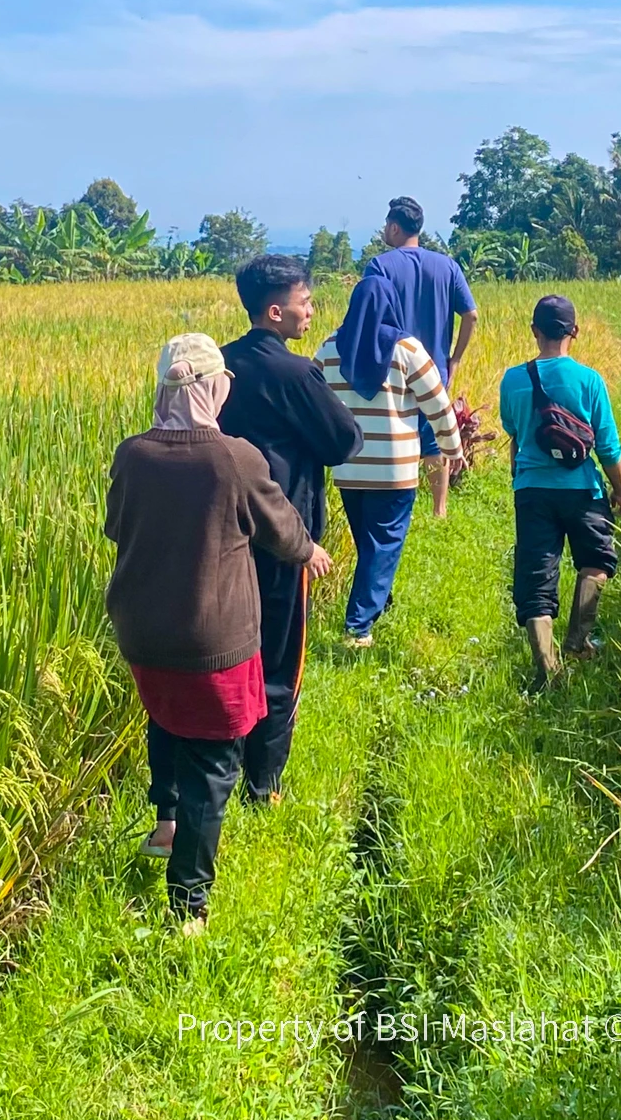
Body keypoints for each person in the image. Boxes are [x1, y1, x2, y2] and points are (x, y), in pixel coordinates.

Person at [104, 332, 334, 928]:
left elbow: (116, 527)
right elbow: (282, 530)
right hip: (211, 637)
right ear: (213, 387)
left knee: (168, 717)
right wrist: (310, 551)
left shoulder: (131, 453)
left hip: (141, 631)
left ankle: (165, 825)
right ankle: (188, 904)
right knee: (214, 758)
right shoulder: (234, 456)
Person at [217, 255, 361, 805]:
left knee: (234, 655)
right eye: (305, 301)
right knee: (280, 659)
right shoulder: (298, 373)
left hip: (224, 537)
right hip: (283, 537)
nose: (311, 311)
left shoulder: (220, 366)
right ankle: (265, 784)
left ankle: (222, 774)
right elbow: (343, 441)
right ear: (275, 312)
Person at [317, 274, 461, 647]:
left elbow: (313, 401)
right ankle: (358, 627)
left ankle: (378, 604)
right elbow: (439, 407)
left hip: (347, 467)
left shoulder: (330, 348)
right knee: (382, 543)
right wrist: (452, 449)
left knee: (369, 542)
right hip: (394, 468)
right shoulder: (407, 349)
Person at [498, 294, 621, 685]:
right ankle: (578, 639)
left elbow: (515, 436)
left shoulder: (513, 379)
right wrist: (619, 491)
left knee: (536, 580)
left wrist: (518, 479)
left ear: (534, 332)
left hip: (532, 491)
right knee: (596, 562)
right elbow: (607, 446)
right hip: (582, 489)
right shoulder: (589, 380)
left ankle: (548, 670)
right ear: (575, 331)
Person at [362, 196, 477, 518]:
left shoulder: (380, 267)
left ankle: (398, 507)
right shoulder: (447, 266)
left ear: (395, 227)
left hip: (391, 366)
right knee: (435, 440)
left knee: (394, 437)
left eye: (387, 224)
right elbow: (471, 315)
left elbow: (369, 315)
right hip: (434, 369)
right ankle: (440, 509)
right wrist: (454, 360)